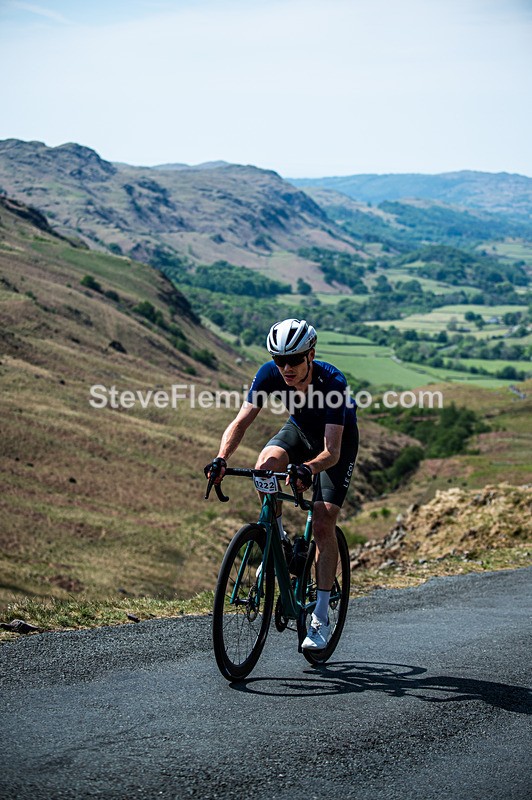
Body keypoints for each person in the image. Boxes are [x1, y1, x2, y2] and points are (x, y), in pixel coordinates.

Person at [206, 318, 358, 650]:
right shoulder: (269, 374)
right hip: (300, 430)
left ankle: (320, 615)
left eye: (293, 360)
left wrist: (306, 469)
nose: (285, 367)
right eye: (279, 360)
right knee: (264, 468)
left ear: (311, 355)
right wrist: (221, 459)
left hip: (335, 446)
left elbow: (331, 452)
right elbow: (241, 421)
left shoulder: (332, 383)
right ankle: (281, 541)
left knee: (322, 519)